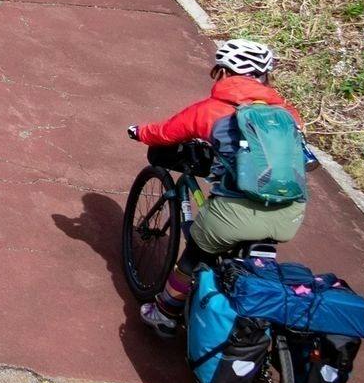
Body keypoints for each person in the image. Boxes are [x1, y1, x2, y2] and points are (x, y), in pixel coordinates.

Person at [129, 39, 307, 336]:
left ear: (223, 72)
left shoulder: (211, 111)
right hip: (290, 214)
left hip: (234, 216)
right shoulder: (288, 114)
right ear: (264, 77)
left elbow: (166, 132)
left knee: (196, 255)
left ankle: (164, 313)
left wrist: (138, 132)